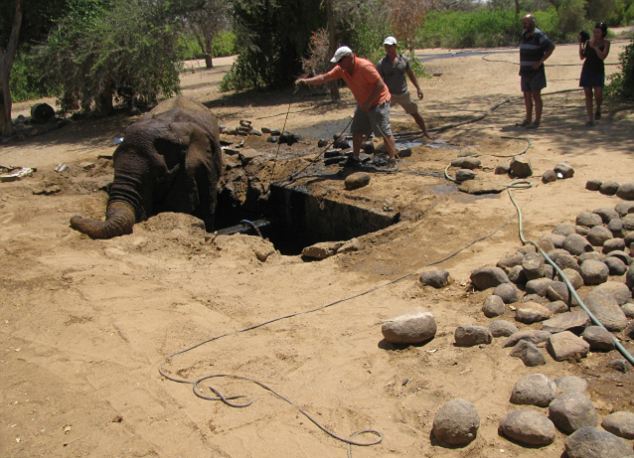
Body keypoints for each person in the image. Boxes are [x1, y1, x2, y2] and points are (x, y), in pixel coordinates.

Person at [295, 46, 399, 167]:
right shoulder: (341, 69)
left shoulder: (364, 67)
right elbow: (324, 77)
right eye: (338, 62)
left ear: (350, 57)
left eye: (340, 61)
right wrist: (306, 81)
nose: (339, 64)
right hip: (363, 103)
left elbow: (380, 85)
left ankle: (392, 159)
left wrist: (369, 103)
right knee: (357, 130)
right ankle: (355, 158)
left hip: (379, 100)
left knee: (383, 131)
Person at [376, 36, 431, 139]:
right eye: (386, 46)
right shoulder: (381, 63)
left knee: (414, 113)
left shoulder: (404, 60)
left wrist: (418, 88)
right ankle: (385, 138)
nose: (388, 49)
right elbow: (378, 80)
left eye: (390, 46)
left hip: (403, 93)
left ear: (395, 46)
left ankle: (425, 132)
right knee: (381, 115)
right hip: (389, 95)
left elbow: (411, 74)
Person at [518, 14, 555, 129]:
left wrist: (540, 62)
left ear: (532, 22)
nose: (524, 25)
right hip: (524, 71)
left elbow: (551, 47)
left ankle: (537, 121)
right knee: (527, 96)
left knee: (536, 95)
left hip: (536, 72)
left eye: (527, 22)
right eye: (523, 23)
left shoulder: (539, 34)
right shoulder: (524, 34)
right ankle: (528, 119)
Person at [579, 22, 610, 126]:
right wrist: (580, 44)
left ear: (603, 33)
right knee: (588, 94)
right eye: (594, 31)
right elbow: (582, 57)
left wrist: (595, 47)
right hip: (587, 69)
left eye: (598, 32)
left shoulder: (606, 43)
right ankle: (590, 118)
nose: (596, 34)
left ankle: (598, 107)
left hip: (598, 70)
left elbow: (602, 57)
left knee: (598, 93)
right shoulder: (588, 42)